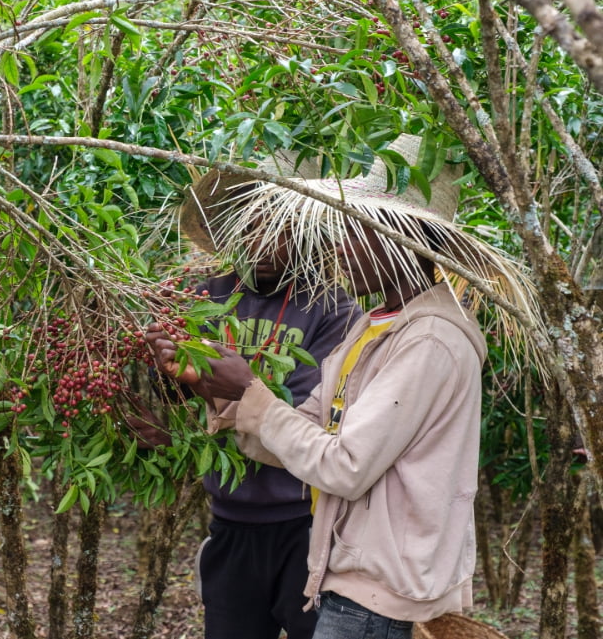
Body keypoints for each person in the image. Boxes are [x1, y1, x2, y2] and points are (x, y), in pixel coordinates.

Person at [145, 134, 541, 638]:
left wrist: (249, 389)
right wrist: (219, 390)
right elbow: (308, 425)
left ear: (398, 239)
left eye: (352, 229)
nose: (336, 246)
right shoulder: (377, 325)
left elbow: (346, 466)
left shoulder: (430, 342)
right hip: (344, 573)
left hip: (376, 590)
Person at [131, 152, 360, 639]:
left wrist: (215, 382)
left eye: (277, 226)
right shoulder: (202, 293)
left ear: (302, 229)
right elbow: (187, 408)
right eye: (249, 224)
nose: (263, 241)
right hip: (229, 522)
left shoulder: (332, 309)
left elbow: (307, 417)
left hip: (306, 524)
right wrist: (167, 379)